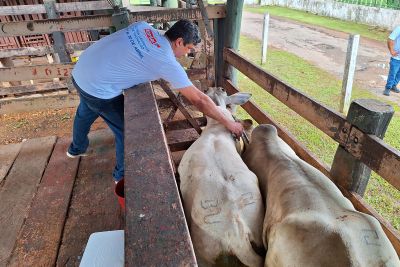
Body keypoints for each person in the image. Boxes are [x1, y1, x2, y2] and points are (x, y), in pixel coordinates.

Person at [67, 19, 244, 183]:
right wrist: (229, 123)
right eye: (189, 48)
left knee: (85, 111)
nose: (187, 53)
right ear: (179, 42)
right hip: (99, 89)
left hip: (81, 72)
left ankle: (75, 149)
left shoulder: (143, 27)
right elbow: (199, 99)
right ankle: (120, 177)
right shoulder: (166, 61)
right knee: (127, 131)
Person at [383, 25, 400, 96]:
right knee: (393, 73)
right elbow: (390, 39)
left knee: (399, 74)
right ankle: (388, 87)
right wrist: (392, 51)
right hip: (396, 58)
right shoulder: (399, 28)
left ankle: (393, 86)